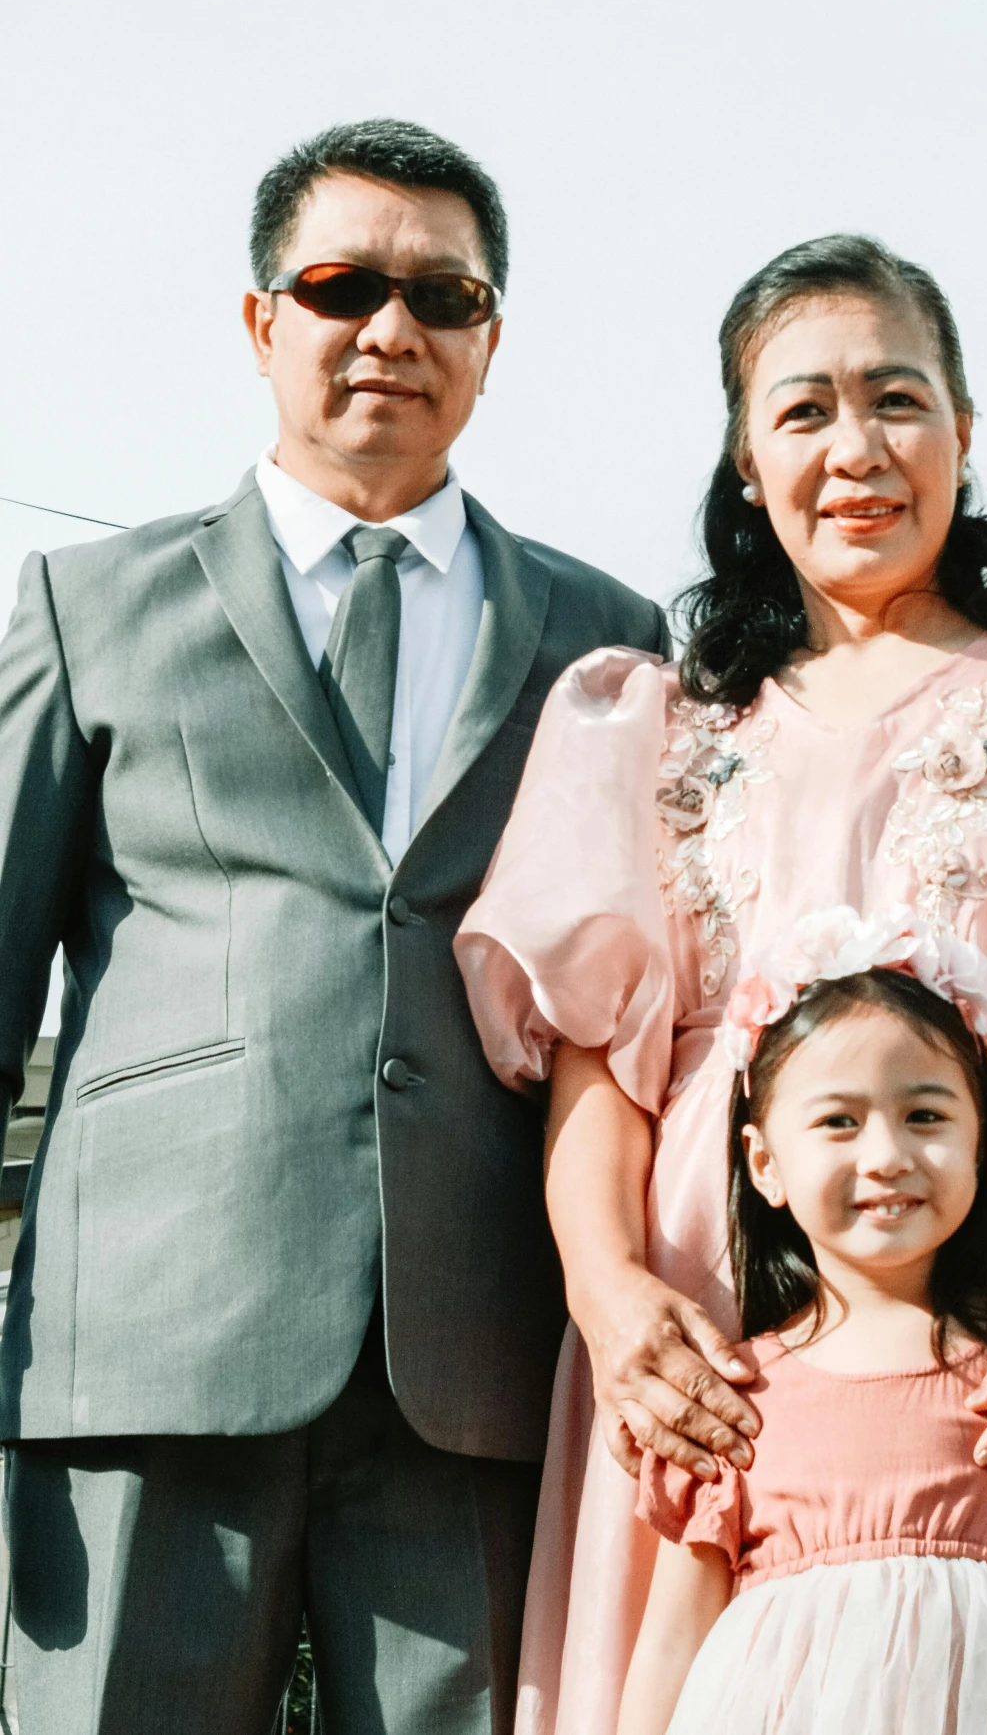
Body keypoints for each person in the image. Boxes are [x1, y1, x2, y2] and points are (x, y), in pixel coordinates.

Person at [454, 233, 987, 1735]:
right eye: (803, 409)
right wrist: (609, 1292)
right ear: (741, 458)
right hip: (696, 1326)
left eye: (897, 399)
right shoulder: (641, 717)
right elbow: (597, 1066)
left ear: (963, 431)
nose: (856, 449)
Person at [0, 120, 667, 1733]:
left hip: (479, 1349)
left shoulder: (609, 633)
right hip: (144, 1339)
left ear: (490, 342)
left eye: (444, 295)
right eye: (342, 283)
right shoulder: (87, 609)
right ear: (261, 322)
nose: (393, 327)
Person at [618, 923, 987, 1735]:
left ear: (978, 1146)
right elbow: (673, 1640)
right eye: (838, 1123)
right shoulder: (733, 1401)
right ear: (763, 1165)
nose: (886, 1154)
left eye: (924, 1116)